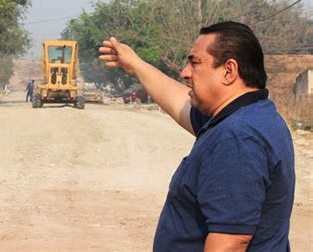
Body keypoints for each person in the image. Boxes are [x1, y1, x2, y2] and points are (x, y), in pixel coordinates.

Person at [98, 21, 295, 251]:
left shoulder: (238, 137)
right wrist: (135, 65)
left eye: (195, 63)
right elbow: (179, 102)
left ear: (229, 71)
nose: (184, 72)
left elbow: (230, 243)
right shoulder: (253, 115)